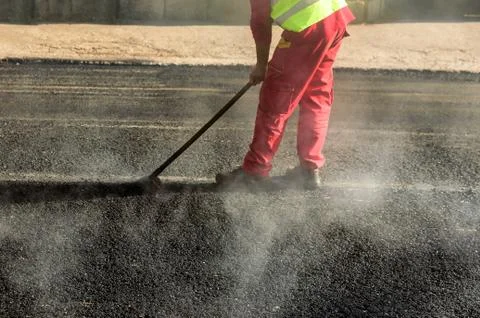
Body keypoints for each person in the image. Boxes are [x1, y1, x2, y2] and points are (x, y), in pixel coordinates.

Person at [216, 0, 355, 189]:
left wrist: (261, 65)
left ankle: (255, 171)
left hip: (308, 28)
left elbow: (260, 21)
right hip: (335, 15)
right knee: (316, 96)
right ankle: (309, 170)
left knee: (276, 99)